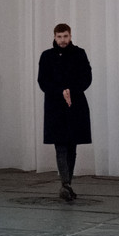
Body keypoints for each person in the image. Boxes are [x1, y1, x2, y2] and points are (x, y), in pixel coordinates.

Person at [37, 23, 92, 202]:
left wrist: (71, 90)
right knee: (60, 145)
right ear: (54, 36)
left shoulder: (79, 53)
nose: (62, 40)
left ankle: (66, 184)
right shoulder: (47, 56)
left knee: (72, 146)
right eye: (59, 37)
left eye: (65, 36)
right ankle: (66, 183)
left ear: (70, 36)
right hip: (55, 106)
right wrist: (61, 91)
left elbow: (86, 77)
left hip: (75, 105)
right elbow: (43, 81)